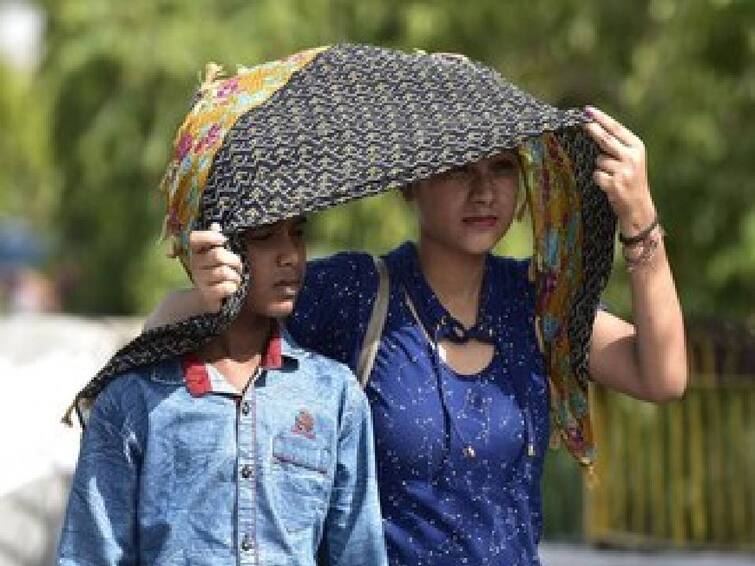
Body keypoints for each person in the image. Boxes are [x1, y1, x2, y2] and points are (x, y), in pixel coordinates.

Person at [145, 50, 687, 565]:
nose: (483, 192)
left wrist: (640, 223)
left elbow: (661, 376)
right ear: (409, 183)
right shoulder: (357, 293)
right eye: (457, 168)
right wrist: (204, 294)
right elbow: (168, 345)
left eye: (501, 168)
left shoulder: (535, 301)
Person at [56, 61, 387, 566]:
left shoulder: (334, 396)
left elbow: (358, 554)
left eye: (297, 232)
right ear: (212, 247)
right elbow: (90, 554)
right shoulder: (134, 401)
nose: (290, 255)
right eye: (263, 236)